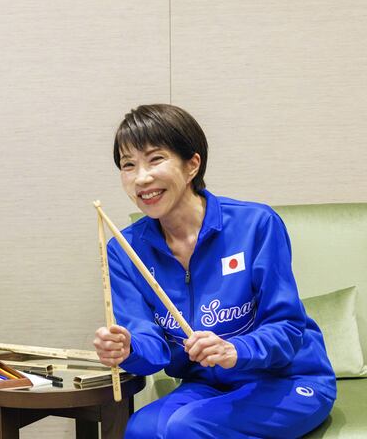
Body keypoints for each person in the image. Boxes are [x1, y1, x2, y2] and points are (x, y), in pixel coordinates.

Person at [93, 104, 336, 438]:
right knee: (141, 430)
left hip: (288, 380)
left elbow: (288, 328)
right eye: (128, 165)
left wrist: (235, 350)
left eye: (155, 159)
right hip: (207, 385)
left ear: (192, 164)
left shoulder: (256, 225)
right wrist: (128, 348)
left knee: (187, 428)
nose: (141, 177)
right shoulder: (124, 251)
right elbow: (151, 345)